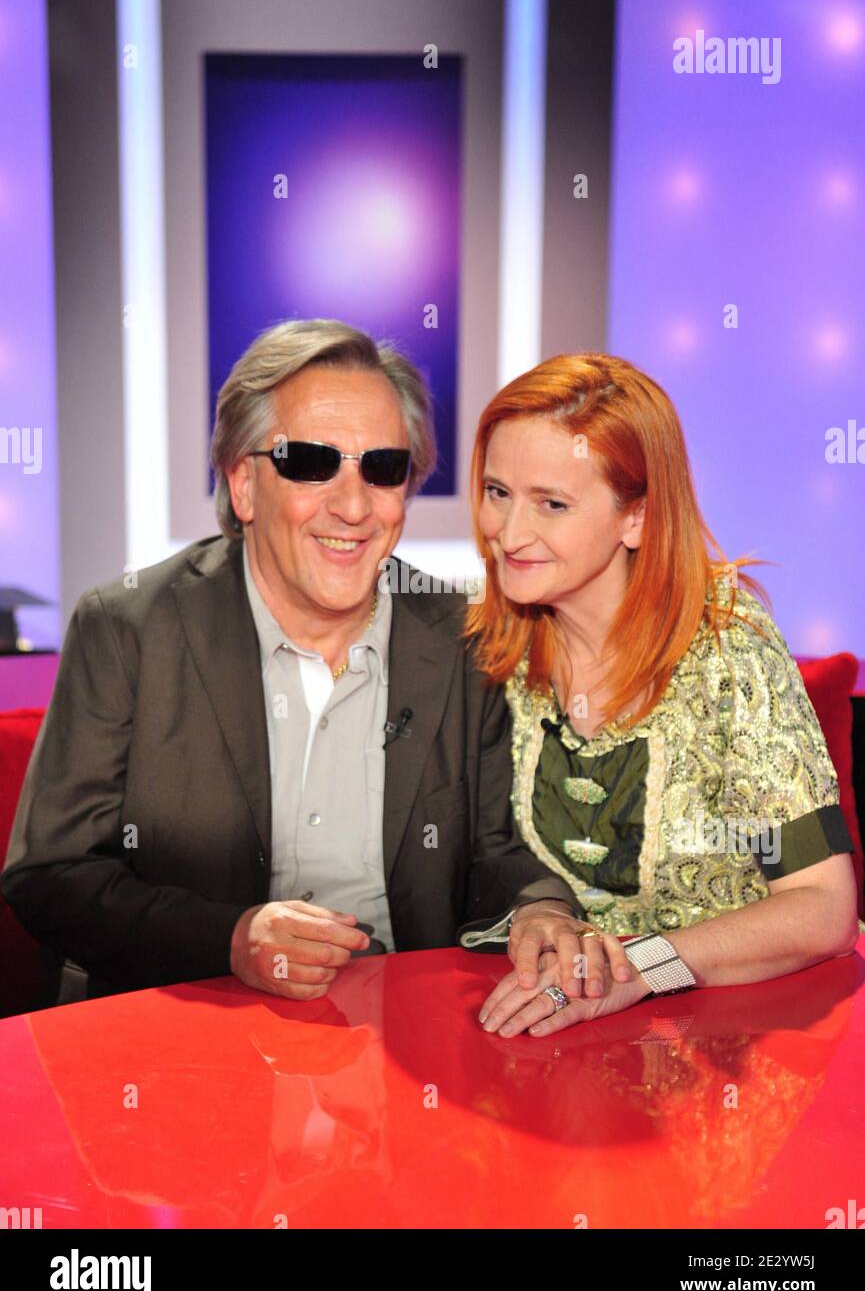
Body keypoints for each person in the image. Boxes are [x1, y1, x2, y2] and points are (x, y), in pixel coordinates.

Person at [1, 320, 584, 1002]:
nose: (352, 505)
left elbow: (496, 853)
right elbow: (52, 874)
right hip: (191, 1026)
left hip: (406, 1034)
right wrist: (230, 939)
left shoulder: (463, 636)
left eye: (382, 468)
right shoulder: (129, 627)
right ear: (244, 484)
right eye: (310, 462)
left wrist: (541, 909)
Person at [461, 352, 860, 1038]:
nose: (508, 533)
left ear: (636, 519)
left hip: (735, 1037)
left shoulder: (726, 648)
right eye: (498, 492)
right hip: (556, 1030)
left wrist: (639, 969)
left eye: (550, 503)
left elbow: (820, 909)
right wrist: (539, 918)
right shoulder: (494, 644)